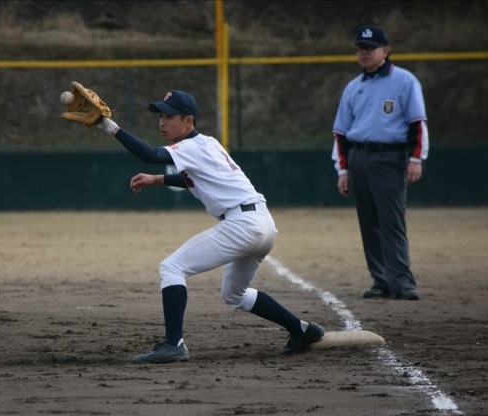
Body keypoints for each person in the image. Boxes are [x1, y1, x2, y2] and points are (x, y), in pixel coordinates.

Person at [94, 90, 325, 363]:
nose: (162, 122)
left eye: (169, 117)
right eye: (161, 116)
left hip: (242, 225)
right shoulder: (208, 143)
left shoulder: (192, 147)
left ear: (188, 121)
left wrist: (108, 125)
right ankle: (301, 330)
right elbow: (197, 178)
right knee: (235, 295)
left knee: (172, 267)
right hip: (262, 223)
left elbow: (150, 154)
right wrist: (158, 179)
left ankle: (173, 344)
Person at [331, 25, 429, 301]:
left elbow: (417, 123)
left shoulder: (405, 81)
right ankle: (381, 280)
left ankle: (402, 282)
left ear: (385, 51)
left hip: (390, 157)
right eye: (359, 49)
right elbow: (340, 133)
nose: (364, 53)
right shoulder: (354, 87)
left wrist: (416, 159)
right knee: (369, 222)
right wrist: (343, 169)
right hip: (359, 157)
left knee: (391, 221)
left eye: (370, 48)